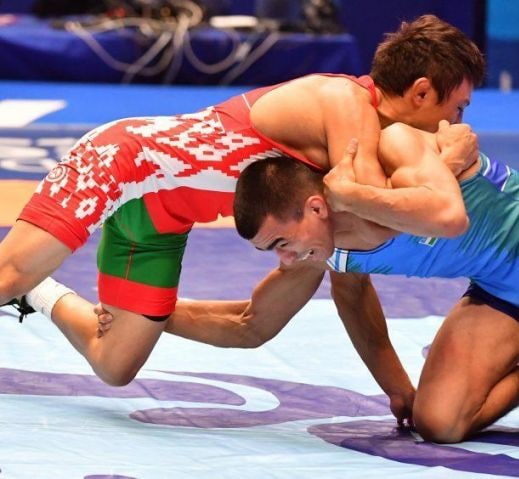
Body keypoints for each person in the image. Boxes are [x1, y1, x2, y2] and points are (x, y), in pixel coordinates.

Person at [0, 15, 484, 386]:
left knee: (115, 365)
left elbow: (351, 252)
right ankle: (23, 281)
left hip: (162, 217)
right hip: (123, 161)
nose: (456, 123)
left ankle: (38, 292)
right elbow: (371, 226)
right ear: (422, 92)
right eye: (457, 106)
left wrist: (397, 389)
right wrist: (446, 163)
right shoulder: (345, 101)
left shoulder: (364, 157)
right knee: (8, 274)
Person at [175, 122, 519, 452]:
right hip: (499, 289)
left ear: (316, 207)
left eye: (281, 243)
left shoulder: (391, 166)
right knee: (438, 423)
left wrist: (445, 149)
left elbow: (447, 167)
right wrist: (150, 311)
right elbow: (256, 320)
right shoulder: (326, 250)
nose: (285, 259)